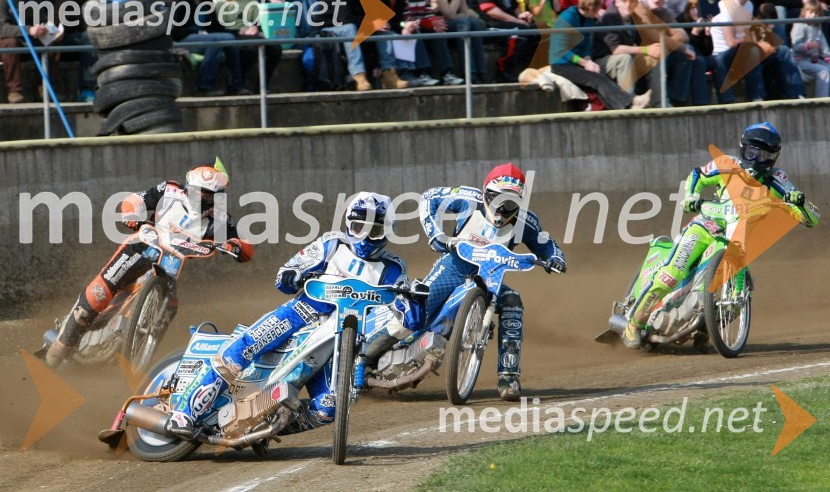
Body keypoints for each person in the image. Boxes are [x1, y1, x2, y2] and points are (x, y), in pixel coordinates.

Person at [164, 192, 424, 439]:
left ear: (387, 232)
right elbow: (285, 275)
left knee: (329, 407)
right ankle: (184, 413)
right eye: (359, 228)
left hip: (342, 340)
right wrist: (293, 275)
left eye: (374, 231)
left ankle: (262, 427)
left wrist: (417, 299)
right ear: (348, 224)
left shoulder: (393, 268)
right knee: (242, 349)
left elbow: (409, 318)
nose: (365, 238)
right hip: (301, 313)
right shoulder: (331, 243)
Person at [622, 122, 820, 349]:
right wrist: (691, 196)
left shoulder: (778, 180)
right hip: (705, 227)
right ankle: (634, 323)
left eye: (764, 155)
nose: (756, 159)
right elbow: (697, 175)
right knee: (672, 273)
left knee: (741, 296)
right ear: (743, 148)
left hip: (738, 242)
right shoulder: (727, 165)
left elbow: (812, 219)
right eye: (752, 152)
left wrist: (800, 202)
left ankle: (706, 327)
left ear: (774, 157)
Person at [44, 158, 254, 367]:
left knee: (171, 307)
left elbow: (243, 244)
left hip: (171, 264)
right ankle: (63, 342)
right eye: (199, 191)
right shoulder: (168, 191)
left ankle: (136, 354)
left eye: (209, 195)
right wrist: (131, 214)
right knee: (100, 292)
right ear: (188, 186)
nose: (202, 198)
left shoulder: (220, 220)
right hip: (141, 247)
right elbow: (135, 199)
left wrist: (234, 246)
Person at [418, 163, 567, 401]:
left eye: (510, 203)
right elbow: (429, 197)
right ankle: (375, 354)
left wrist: (555, 258)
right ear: (486, 193)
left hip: (491, 280)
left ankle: (509, 376)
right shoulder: (469, 199)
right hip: (453, 268)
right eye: (497, 200)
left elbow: (546, 244)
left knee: (512, 301)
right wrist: (436, 234)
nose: (502, 209)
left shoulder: (526, 221)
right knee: (417, 312)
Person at [311, 0, 408, 91]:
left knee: (383, 31)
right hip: (327, 27)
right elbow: (345, 19)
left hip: (346, 25)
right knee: (351, 29)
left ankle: (389, 73)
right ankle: (358, 75)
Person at [550, 0, 652, 110]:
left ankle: (625, 106)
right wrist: (584, 63)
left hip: (577, 62)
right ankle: (632, 102)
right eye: (598, 8)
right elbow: (561, 51)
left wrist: (589, 60)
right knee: (598, 80)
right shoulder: (567, 18)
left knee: (600, 76)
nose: (599, 12)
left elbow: (587, 45)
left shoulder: (589, 20)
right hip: (562, 65)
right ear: (591, 7)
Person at [711, 0, 805, 102]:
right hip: (723, 54)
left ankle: (797, 95)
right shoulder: (727, 7)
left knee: (783, 51)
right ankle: (757, 97)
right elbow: (731, 42)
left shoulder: (749, 5)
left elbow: (747, 35)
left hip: (743, 50)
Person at [170, 0, 249, 96]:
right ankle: (204, 85)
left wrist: (237, 31)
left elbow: (215, 26)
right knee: (218, 40)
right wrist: (198, 34)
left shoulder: (207, 0)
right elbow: (174, 30)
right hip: (184, 39)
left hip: (205, 39)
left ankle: (236, 85)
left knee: (230, 40)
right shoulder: (180, 1)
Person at [215, 0, 283, 92]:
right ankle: (236, 84)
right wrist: (239, 31)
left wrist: (257, 30)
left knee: (275, 48)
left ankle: (262, 86)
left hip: (251, 35)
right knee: (250, 49)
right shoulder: (222, 1)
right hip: (232, 35)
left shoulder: (251, 0)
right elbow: (218, 28)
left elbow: (258, 23)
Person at [402, 0, 465, 86]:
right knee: (414, 31)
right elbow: (406, 17)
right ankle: (422, 73)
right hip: (405, 25)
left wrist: (434, 22)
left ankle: (447, 73)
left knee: (438, 30)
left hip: (419, 23)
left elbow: (427, 12)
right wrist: (427, 22)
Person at [430, 0, 488, 83]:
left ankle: (481, 71)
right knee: (463, 23)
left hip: (454, 20)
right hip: (439, 22)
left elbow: (464, 11)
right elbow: (449, 14)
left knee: (475, 23)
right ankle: (469, 72)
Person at [0, 0, 49, 105]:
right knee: (10, 43)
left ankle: (44, 87)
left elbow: (42, 21)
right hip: (6, 42)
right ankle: (14, 91)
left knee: (52, 42)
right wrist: (29, 30)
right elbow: (1, 28)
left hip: (26, 40)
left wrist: (47, 31)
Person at [54, 0, 101, 102]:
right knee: (90, 37)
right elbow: (81, 24)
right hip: (62, 41)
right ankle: (86, 89)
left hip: (84, 37)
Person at [790, 0, 830, 97]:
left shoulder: (817, 27)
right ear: (805, 12)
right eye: (811, 12)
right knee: (824, 71)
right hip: (800, 60)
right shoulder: (799, 25)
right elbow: (796, 46)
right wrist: (808, 45)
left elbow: (824, 46)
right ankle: (821, 100)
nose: (813, 15)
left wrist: (828, 57)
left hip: (814, 60)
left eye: (816, 13)